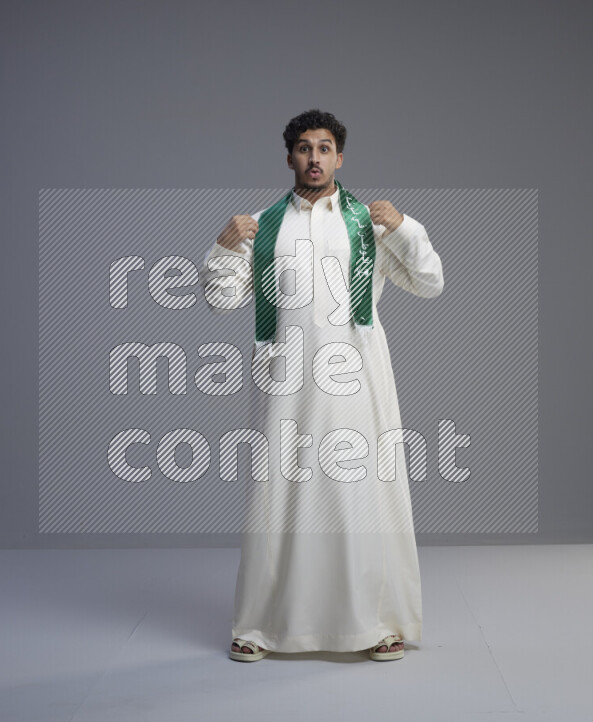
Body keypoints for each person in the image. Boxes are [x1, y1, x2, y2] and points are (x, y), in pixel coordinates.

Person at [201, 109, 444, 661]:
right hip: (284, 379)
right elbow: (220, 300)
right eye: (304, 148)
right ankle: (260, 625)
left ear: (340, 157)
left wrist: (404, 227)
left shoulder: (368, 222)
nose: (315, 158)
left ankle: (376, 622)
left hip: (355, 380)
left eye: (325, 147)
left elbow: (430, 282)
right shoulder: (262, 227)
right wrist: (222, 245)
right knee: (277, 495)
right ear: (289, 157)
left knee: (356, 494)